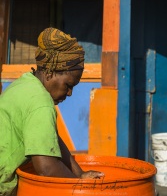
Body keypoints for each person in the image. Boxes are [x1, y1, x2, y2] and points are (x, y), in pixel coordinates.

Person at [0, 27, 104, 196]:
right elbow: (47, 167)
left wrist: (80, 175)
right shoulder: (41, 103)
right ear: (50, 73)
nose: (69, 93)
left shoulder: (25, 83)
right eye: (68, 85)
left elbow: (53, 140)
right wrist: (80, 189)